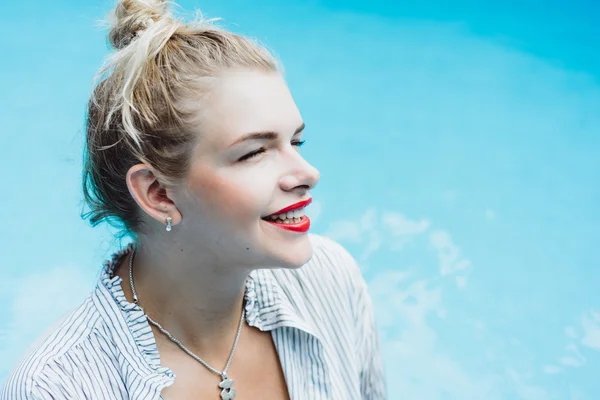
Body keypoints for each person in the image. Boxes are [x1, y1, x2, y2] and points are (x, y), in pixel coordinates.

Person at [1, 0, 386, 398]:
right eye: (255, 152)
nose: (308, 173)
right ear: (158, 194)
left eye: (296, 141)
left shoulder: (330, 279)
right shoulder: (55, 387)